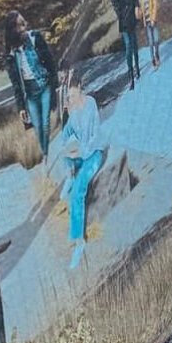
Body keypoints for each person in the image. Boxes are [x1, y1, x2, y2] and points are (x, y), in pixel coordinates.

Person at [60, 72, 104, 270]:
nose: (72, 98)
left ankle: (79, 240)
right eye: (69, 96)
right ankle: (69, 175)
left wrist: (81, 151)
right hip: (80, 155)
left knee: (78, 192)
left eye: (74, 94)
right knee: (67, 158)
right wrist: (68, 147)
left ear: (81, 89)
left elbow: (95, 137)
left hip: (94, 154)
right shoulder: (73, 110)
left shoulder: (91, 104)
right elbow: (66, 134)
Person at [4, 10, 59, 162]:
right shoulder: (11, 54)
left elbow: (49, 60)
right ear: (12, 30)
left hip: (44, 84)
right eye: (20, 25)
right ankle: (45, 153)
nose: (24, 27)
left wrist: (55, 82)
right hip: (30, 93)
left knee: (46, 123)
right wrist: (21, 107)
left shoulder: (34, 38)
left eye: (24, 23)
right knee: (38, 126)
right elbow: (16, 83)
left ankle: (46, 156)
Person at [110, 0, 142, 89]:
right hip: (123, 14)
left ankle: (137, 67)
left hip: (132, 12)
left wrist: (137, 6)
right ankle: (130, 76)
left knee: (134, 42)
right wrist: (119, 13)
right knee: (128, 44)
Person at [143, 0, 162, 69]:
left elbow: (155, 5)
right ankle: (153, 60)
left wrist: (153, 19)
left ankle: (157, 55)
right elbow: (143, 9)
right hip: (146, 21)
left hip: (152, 20)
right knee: (150, 42)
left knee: (156, 40)